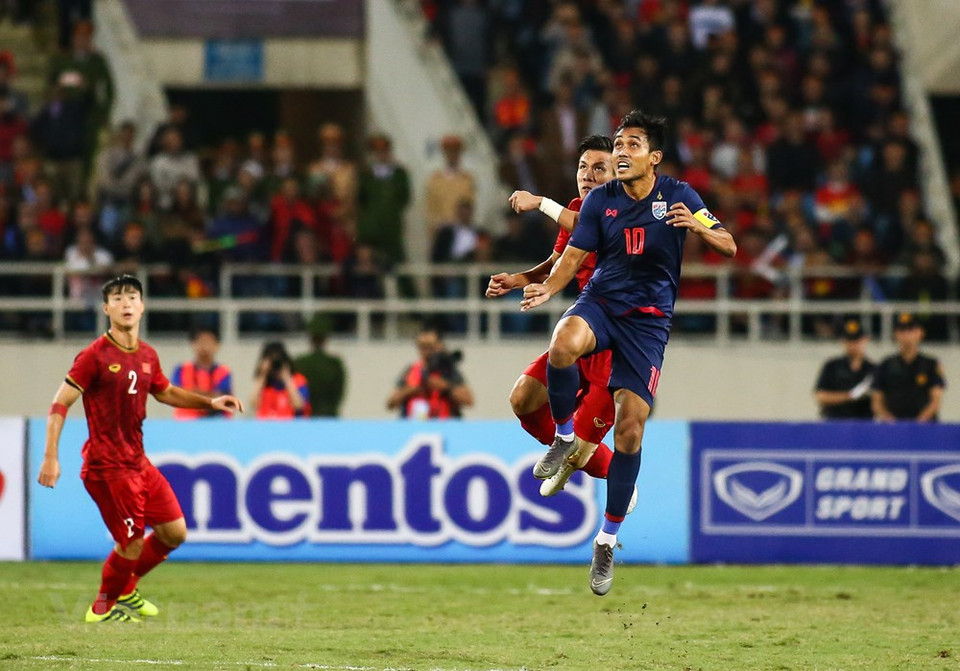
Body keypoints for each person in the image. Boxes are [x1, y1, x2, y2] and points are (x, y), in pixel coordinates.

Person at [520, 111, 736, 596]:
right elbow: (573, 257)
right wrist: (546, 289)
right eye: (618, 144)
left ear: (653, 157)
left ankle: (607, 539)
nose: (620, 152)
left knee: (631, 428)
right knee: (562, 345)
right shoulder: (600, 202)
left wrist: (701, 229)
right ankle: (561, 437)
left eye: (632, 145)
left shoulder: (680, 197)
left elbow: (730, 245)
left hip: (648, 323)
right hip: (602, 302)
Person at [36, 274, 243, 623]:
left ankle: (127, 589)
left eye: (132, 297)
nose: (126, 303)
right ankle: (101, 609)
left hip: (137, 463)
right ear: (106, 309)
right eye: (117, 299)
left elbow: (165, 392)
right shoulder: (93, 356)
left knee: (174, 532)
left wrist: (211, 401)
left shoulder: (148, 355)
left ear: (143, 306)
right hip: (107, 468)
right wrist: (51, 456)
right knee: (130, 542)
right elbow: (60, 404)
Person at [486, 134, 619, 498]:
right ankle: (569, 449)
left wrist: (540, 201)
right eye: (582, 167)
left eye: (598, 168)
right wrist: (518, 279)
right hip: (581, 335)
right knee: (523, 399)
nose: (587, 175)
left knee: (582, 452)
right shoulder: (578, 206)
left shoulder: (624, 208)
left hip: (616, 346)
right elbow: (558, 263)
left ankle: (619, 479)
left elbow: (588, 225)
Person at [871, 312, 946, 422]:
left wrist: (917, 424)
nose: (906, 335)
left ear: (920, 333)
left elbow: (936, 401)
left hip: (924, 428)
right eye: (902, 331)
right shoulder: (885, 365)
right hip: (892, 428)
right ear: (896, 334)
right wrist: (892, 422)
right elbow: (877, 401)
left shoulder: (931, 364)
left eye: (910, 330)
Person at [387, 324, 473, 419]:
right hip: (415, 424)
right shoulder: (412, 370)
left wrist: (446, 388)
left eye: (430, 347)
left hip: (444, 424)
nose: (426, 352)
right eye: (422, 347)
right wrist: (411, 389)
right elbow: (391, 403)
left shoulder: (450, 371)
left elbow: (468, 400)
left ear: (439, 346)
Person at [814, 318, 876, 420]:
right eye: (849, 340)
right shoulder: (832, 366)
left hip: (863, 423)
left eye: (856, 340)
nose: (853, 345)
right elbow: (820, 396)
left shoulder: (873, 369)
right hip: (835, 422)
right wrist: (849, 396)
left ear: (865, 340)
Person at [170, 328, 233, 420]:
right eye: (201, 341)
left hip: (216, 423)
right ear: (193, 344)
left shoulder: (224, 372)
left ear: (217, 345)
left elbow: (223, 399)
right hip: (185, 422)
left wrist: (192, 393)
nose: (204, 346)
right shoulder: (181, 369)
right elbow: (175, 396)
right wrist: (209, 396)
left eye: (208, 342)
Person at [293, 314, 346, 417]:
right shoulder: (334, 364)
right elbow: (339, 394)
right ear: (326, 338)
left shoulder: (299, 363)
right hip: (328, 416)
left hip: (305, 417)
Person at [251, 341, 311, 419]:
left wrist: (287, 378)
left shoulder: (298, 380)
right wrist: (263, 374)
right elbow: (253, 403)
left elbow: (298, 406)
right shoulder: (265, 383)